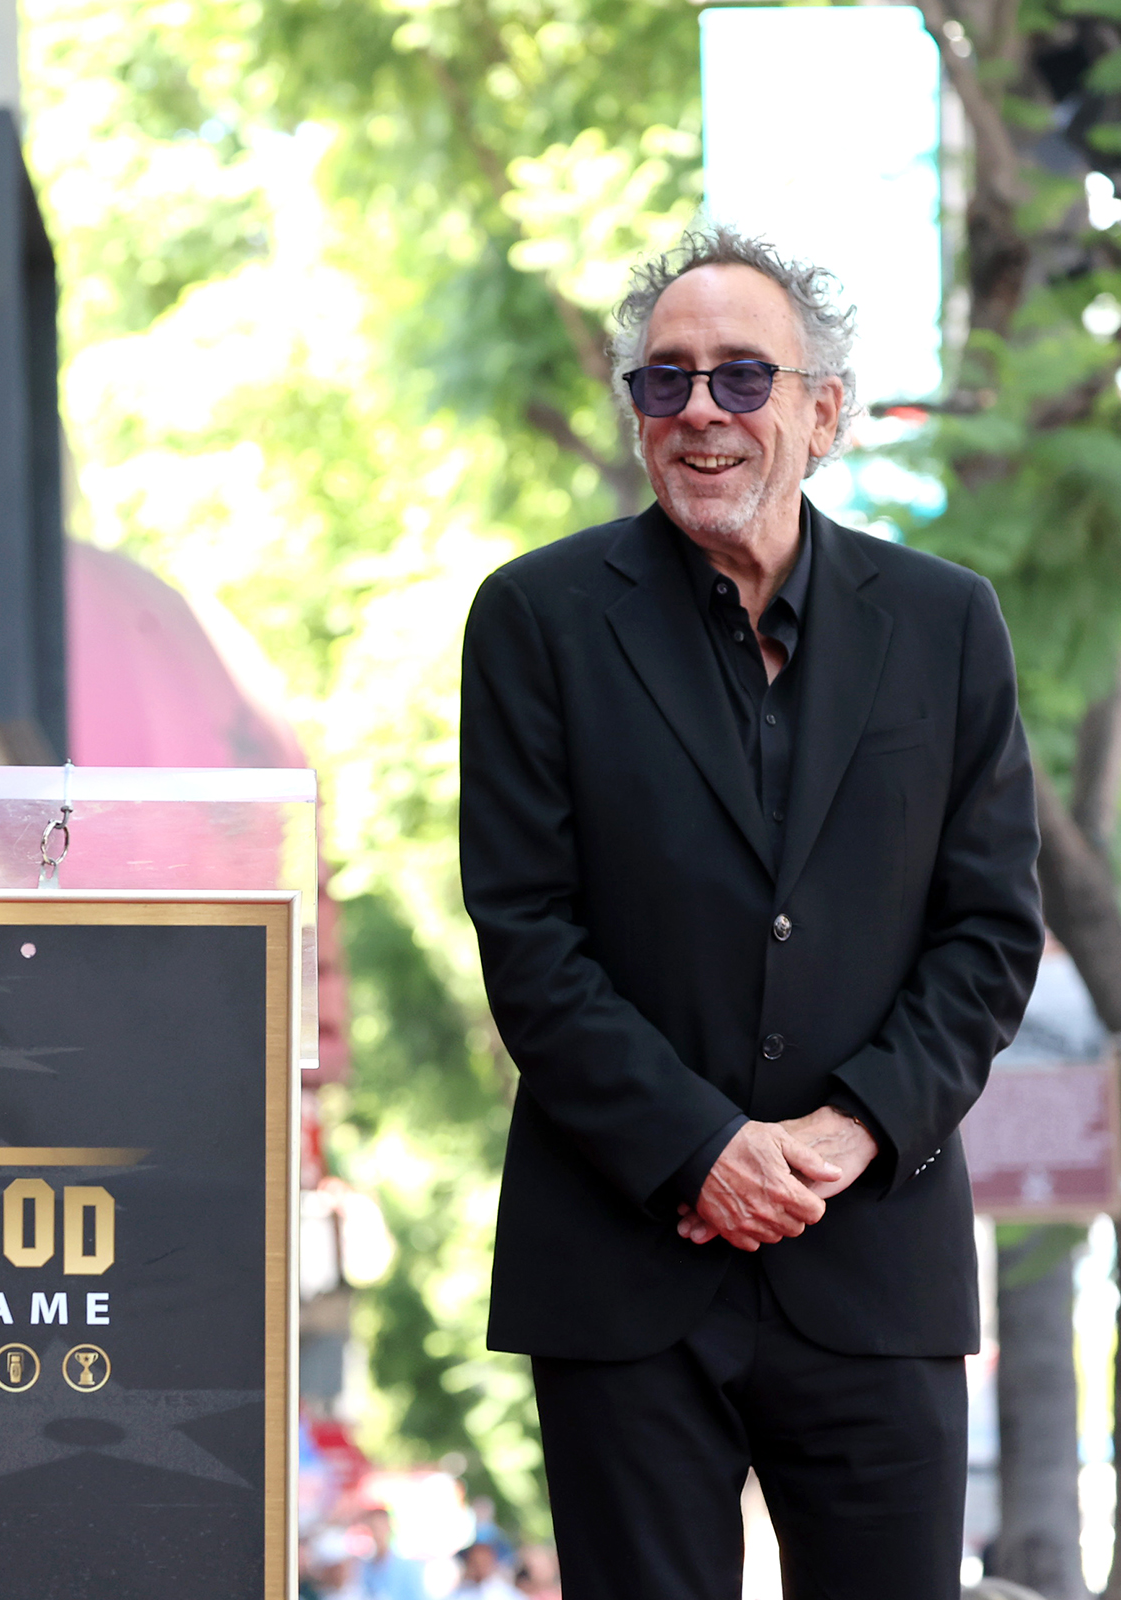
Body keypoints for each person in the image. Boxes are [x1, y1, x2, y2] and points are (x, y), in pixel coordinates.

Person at [459, 226, 1041, 1600]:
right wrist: (701, 1148)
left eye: (740, 379)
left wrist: (847, 1133)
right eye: (664, 383)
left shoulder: (950, 625)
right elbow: (528, 937)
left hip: (874, 1257)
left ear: (823, 411)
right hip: (621, 1264)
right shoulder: (534, 621)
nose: (700, 413)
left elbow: (990, 931)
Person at [451, 1541, 527, 1600]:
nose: (480, 1567)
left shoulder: (507, 1593)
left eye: (484, 1562)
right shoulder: (457, 1591)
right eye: (475, 1562)